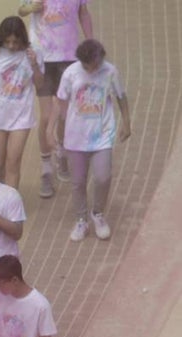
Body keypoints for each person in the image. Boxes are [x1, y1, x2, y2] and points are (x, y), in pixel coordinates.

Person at [54, 38, 132, 242]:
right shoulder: (71, 73)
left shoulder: (110, 72)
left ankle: (97, 213)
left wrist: (126, 122)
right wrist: (57, 132)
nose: (91, 69)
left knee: (103, 177)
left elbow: (121, 97)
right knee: (78, 182)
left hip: (102, 135)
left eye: (95, 64)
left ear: (101, 58)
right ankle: (81, 220)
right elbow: (61, 104)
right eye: (87, 65)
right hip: (75, 137)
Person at [19, 0, 93, 197]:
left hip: (69, 56)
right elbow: (22, 10)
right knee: (45, 117)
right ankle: (45, 169)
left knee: (65, 114)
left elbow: (83, 13)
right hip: (41, 57)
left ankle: (61, 152)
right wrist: (31, 7)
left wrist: (90, 41)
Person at [0, 16, 45, 190]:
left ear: (23, 38)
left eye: (16, 42)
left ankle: (11, 204)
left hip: (21, 116)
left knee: (14, 162)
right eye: (8, 42)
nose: (12, 46)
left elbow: (40, 85)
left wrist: (34, 64)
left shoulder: (33, 52)